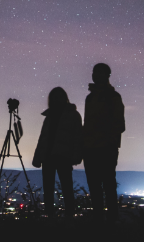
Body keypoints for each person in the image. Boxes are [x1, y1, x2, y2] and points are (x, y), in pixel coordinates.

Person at [83, 63, 125, 222]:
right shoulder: (91, 97)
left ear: (107, 76)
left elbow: (119, 124)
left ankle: (110, 222)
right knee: (96, 187)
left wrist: (105, 139)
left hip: (105, 148)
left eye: (99, 73)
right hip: (91, 148)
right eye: (94, 72)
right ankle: (100, 222)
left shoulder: (113, 97)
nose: (95, 75)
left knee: (107, 185)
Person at [32, 87, 82, 217]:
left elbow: (78, 137)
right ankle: (51, 217)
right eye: (54, 97)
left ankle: (69, 217)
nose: (57, 99)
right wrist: (38, 157)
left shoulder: (73, 115)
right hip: (48, 156)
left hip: (63, 157)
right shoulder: (49, 116)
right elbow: (43, 138)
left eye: (59, 96)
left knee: (66, 188)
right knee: (48, 189)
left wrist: (76, 155)